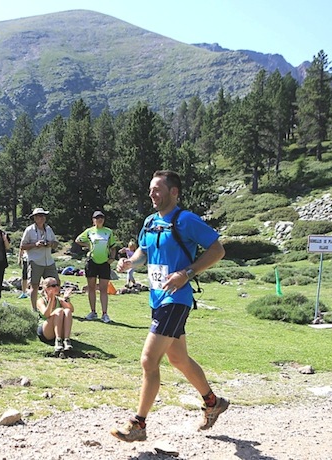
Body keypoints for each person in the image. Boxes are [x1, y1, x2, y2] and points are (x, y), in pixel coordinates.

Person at [110, 170, 229, 442]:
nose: (152, 194)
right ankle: (213, 402)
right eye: (151, 189)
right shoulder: (151, 222)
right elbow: (144, 251)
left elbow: (217, 250)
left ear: (174, 191)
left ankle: (138, 424)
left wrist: (187, 273)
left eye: (157, 189)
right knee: (178, 359)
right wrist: (130, 262)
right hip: (157, 298)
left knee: (149, 360)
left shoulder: (185, 220)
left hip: (176, 299)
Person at [75, 210, 120, 323]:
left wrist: (112, 258)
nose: (99, 219)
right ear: (93, 220)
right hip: (92, 261)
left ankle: (105, 313)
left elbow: (113, 246)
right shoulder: (89, 231)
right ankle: (93, 312)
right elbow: (78, 240)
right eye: (97, 218)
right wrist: (88, 245)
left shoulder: (108, 232)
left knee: (104, 289)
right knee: (91, 287)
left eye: (101, 218)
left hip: (104, 262)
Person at [19, 207, 59, 309]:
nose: (42, 218)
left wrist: (50, 244)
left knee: (55, 283)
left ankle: (53, 306)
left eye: (43, 216)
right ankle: (34, 309)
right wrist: (35, 245)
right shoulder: (29, 230)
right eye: (39, 216)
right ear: (35, 218)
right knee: (34, 285)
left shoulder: (49, 229)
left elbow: (56, 243)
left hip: (48, 261)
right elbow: (23, 246)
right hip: (35, 261)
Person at [35, 277, 75, 354]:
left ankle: (66, 340)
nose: (56, 287)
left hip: (57, 329)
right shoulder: (41, 301)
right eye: (53, 286)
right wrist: (51, 299)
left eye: (57, 285)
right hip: (45, 331)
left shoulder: (59, 299)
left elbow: (71, 309)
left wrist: (66, 299)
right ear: (46, 288)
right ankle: (58, 340)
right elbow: (46, 315)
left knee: (67, 311)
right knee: (59, 311)